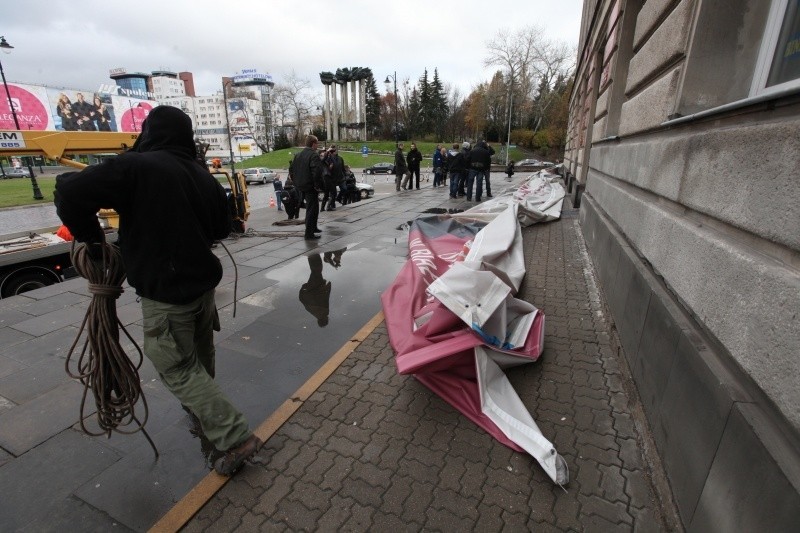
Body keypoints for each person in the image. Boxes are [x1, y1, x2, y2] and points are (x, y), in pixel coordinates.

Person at [53, 106, 261, 476]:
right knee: (198, 354)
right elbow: (219, 229)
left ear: (149, 133)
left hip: (167, 294)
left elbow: (68, 190)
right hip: (201, 290)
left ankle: (233, 436)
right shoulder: (204, 177)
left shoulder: (137, 168)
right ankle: (203, 406)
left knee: (175, 366)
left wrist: (92, 240)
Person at [289, 135, 324, 239]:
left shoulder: (298, 155)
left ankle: (313, 227)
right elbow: (316, 172)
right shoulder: (314, 155)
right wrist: (317, 186)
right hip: (310, 186)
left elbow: (291, 170)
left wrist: (296, 182)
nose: (317, 145)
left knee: (314, 207)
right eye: (317, 143)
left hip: (300, 186)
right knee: (311, 209)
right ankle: (309, 233)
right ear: (313, 144)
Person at [321, 145, 344, 211]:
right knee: (333, 193)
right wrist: (328, 151)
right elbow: (325, 161)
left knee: (327, 194)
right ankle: (328, 207)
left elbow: (335, 167)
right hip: (327, 179)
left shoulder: (328, 159)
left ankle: (322, 208)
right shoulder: (323, 160)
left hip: (329, 179)